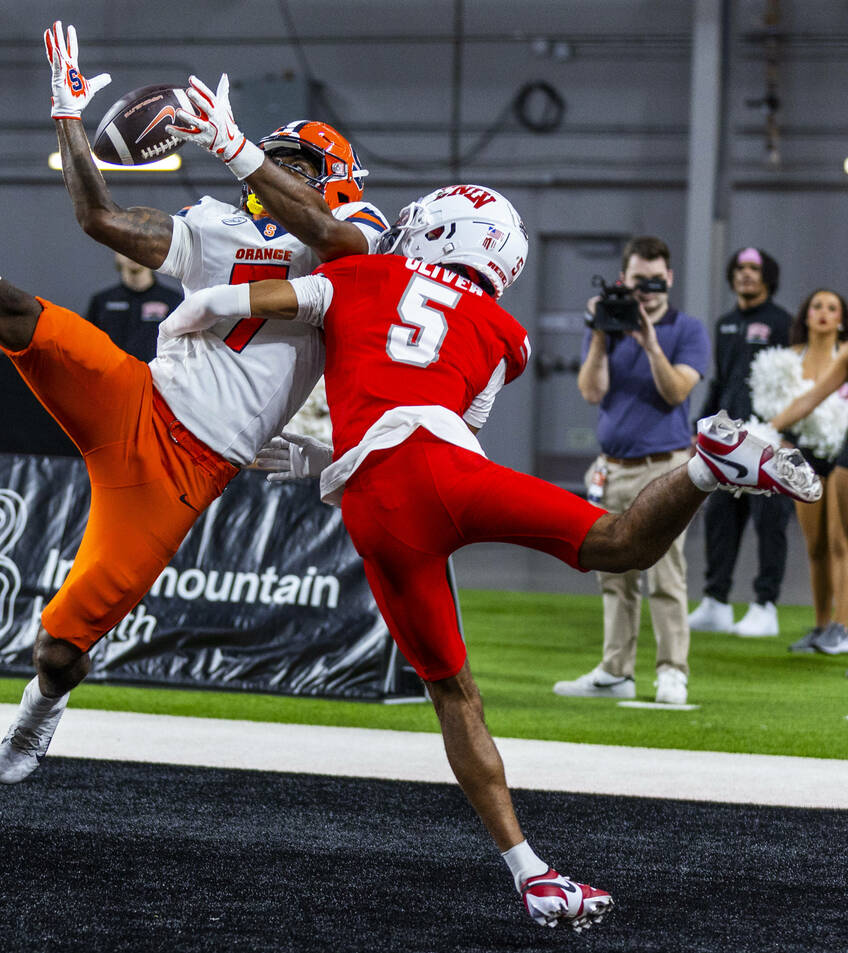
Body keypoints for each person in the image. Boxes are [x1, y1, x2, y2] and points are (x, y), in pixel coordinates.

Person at [158, 184, 820, 930]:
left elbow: (232, 305)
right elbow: (444, 422)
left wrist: (192, 341)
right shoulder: (508, 332)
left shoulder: (363, 274)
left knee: (454, 696)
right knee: (619, 544)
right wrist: (321, 453)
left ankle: (530, 870)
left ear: (443, 231)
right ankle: (707, 467)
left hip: (383, 505)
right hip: (441, 471)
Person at [0, 16, 387, 791]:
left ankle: (43, 701)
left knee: (59, 647)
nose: (265, 175)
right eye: (268, 161)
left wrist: (237, 146)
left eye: (290, 164)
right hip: (135, 392)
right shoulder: (220, 224)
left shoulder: (359, 234)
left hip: (181, 473)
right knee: (8, 307)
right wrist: (70, 123)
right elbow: (101, 220)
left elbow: (334, 237)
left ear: (330, 172)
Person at [553, 236, 710, 706]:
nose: (650, 290)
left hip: (666, 469)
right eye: (641, 281)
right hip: (612, 468)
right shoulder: (606, 327)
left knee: (667, 571)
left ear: (671, 278)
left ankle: (672, 672)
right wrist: (601, 334)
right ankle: (616, 670)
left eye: (658, 279)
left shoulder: (688, 329)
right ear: (625, 281)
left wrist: (650, 344)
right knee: (612, 571)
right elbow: (591, 391)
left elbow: (678, 392)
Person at [689, 248, 793, 637]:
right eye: (740, 269)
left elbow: (794, 383)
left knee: (770, 522)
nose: (746, 275)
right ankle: (716, 602)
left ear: (768, 276)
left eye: (754, 269)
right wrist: (700, 431)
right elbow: (719, 380)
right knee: (720, 518)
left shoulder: (784, 323)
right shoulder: (726, 323)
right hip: (728, 442)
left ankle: (765, 606)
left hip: (770, 440)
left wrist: (786, 436)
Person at [762, 288, 848, 655]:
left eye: (833, 308)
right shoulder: (795, 358)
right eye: (818, 306)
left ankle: (842, 627)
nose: (825, 313)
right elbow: (810, 399)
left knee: (841, 541)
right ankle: (823, 626)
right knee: (816, 545)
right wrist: (765, 430)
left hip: (839, 450)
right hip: (809, 453)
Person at [84, 252, 182, 362]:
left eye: (140, 246)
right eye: (126, 246)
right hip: (113, 376)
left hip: (157, 377)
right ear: (116, 253)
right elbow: (88, 347)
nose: (133, 251)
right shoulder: (102, 302)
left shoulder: (173, 301)